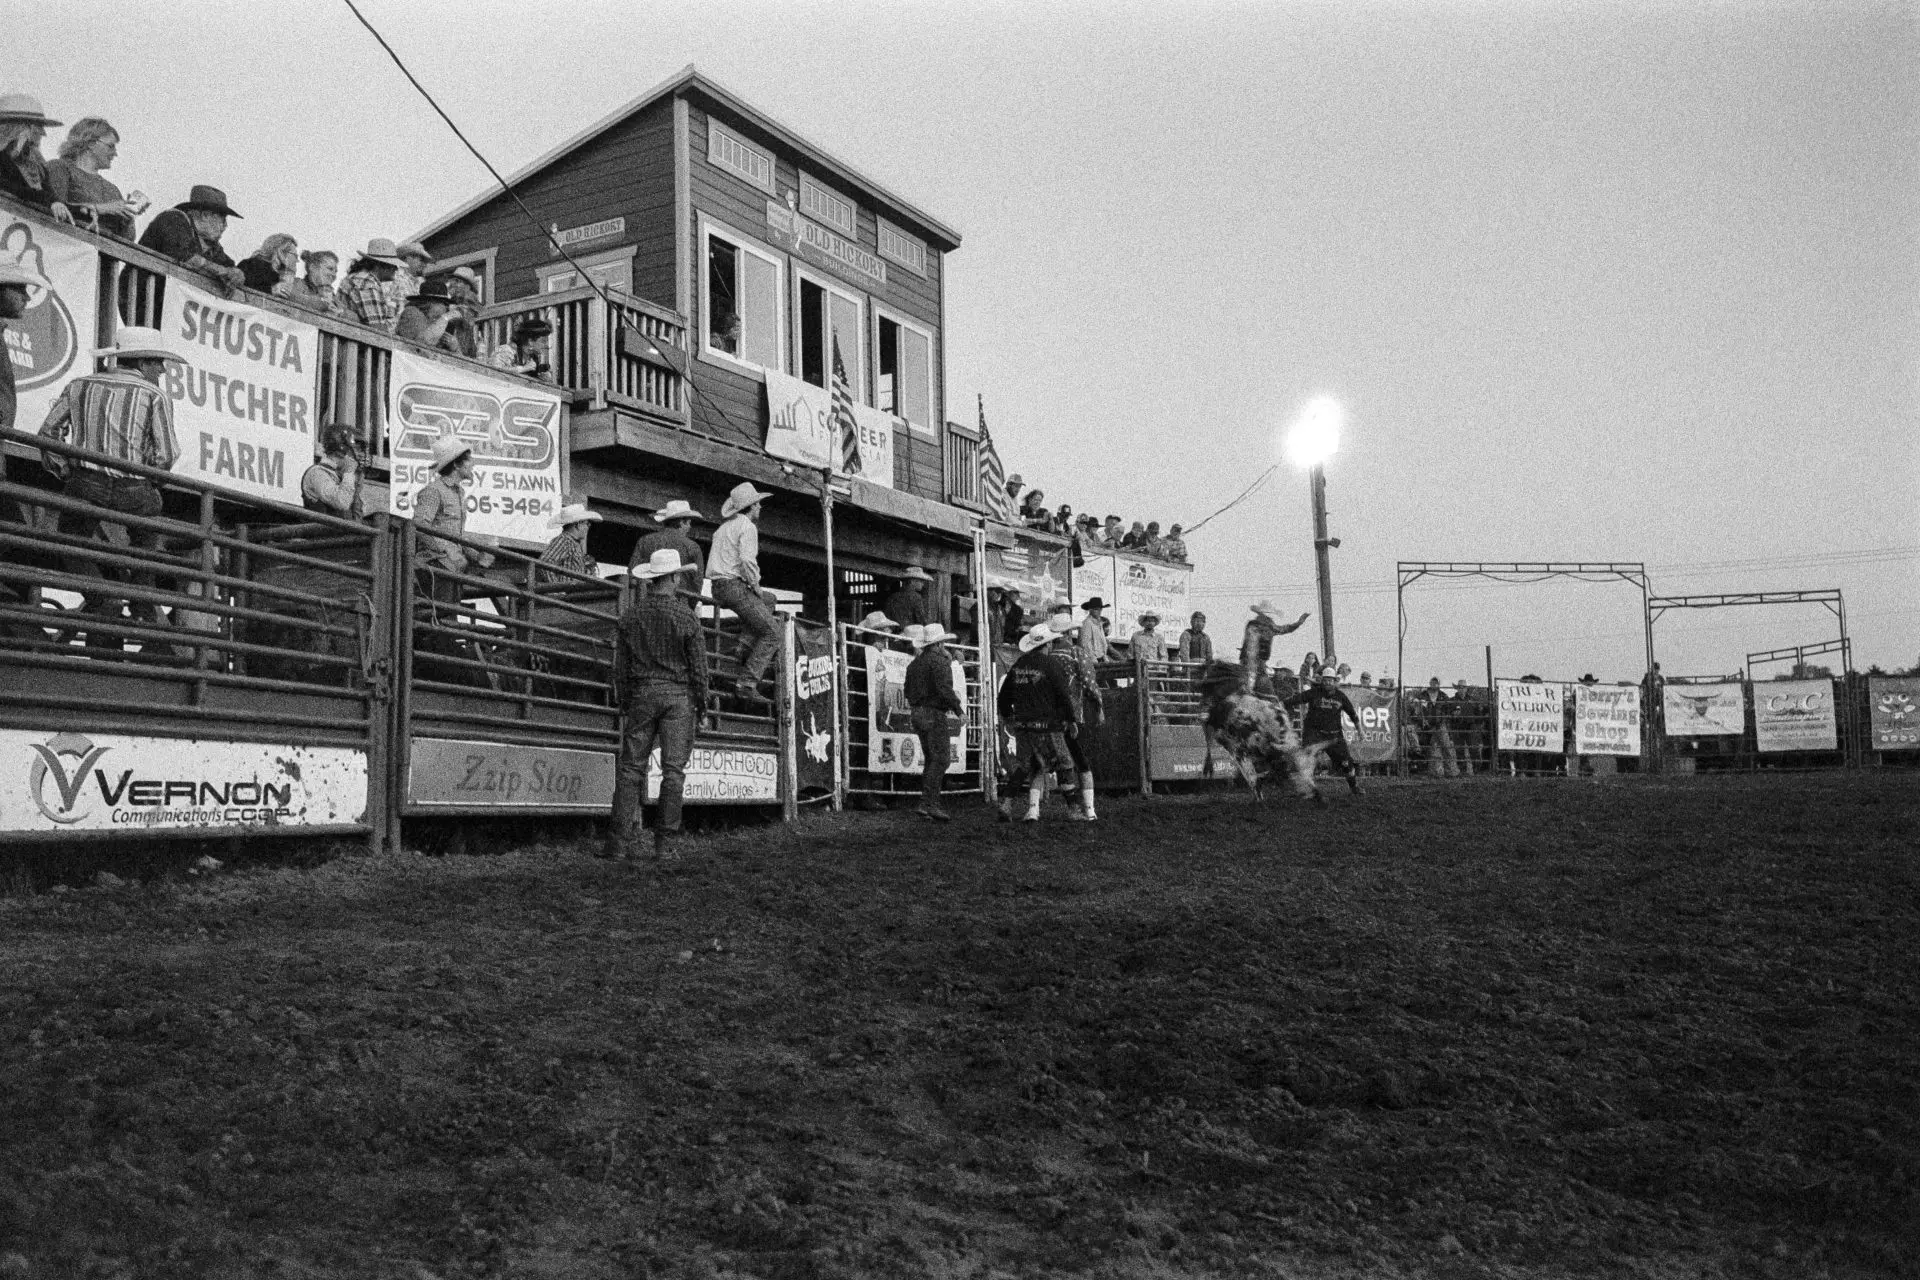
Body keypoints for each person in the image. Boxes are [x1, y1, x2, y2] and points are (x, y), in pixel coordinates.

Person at [36, 326, 184, 649]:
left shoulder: (80, 386)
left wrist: (64, 470)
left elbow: (48, 433)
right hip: (134, 490)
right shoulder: (154, 396)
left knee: (69, 540)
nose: (161, 370)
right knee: (146, 538)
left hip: (85, 484)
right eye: (158, 363)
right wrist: (149, 479)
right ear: (144, 363)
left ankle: (103, 596)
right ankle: (141, 598)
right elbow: (167, 455)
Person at [608, 548, 708, 861]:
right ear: (675, 578)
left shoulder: (631, 617)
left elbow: (620, 669)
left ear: (652, 579)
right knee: (673, 771)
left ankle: (617, 843)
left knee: (630, 768)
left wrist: (625, 702)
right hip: (678, 698)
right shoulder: (687, 617)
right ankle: (665, 845)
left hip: (642, 694)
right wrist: (702, 705)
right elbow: (699, 670)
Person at [996, 622, 1083, 824]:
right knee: (1065, 763)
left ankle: (1006, 803)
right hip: (1047, 725)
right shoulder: (1052, 665)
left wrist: (1007, 715)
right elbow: (1063, 695)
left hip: (1023, 724)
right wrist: (1071, 720)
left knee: (1024, 765)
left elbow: (1003, 696)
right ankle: (1073, 809)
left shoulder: (1018, 665)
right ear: (1047, 644)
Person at [708, 480, 779, 703]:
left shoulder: (722, 529)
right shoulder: (747, 527)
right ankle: (747, 683)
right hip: (733, 586)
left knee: (770, 599)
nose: (760, 507)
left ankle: (744, 646)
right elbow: (747, 561)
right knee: (773, 633)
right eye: (757, 504)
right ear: (750, 507)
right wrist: (755, 585)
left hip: (718, 586)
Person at [905, 622, 964, 822]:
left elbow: (907, 690)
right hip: (933, 713)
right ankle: (928, 803)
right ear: (939, 644)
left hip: (917, 712)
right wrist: (959, 710)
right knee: (941, 759)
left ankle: (927, 803)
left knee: (932, 758)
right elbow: (945, 689)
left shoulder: (915, 664)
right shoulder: (940, 662)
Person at [46, 116, 140, 239]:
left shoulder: (112, 189)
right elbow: (53, 207)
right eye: (110, 146)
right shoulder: (60, 167)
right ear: (90, 143)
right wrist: (99, 209)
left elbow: (128, 239)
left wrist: (128, 219)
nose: (115, 153)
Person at [1283, 663, 1363, 806]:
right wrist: (1283, 704)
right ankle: (1307, 790)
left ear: (1334, 681)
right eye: (1325, 680)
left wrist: (1360, 730)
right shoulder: (1314, 692)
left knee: (1346, 763)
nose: (1327, 682)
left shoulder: (1340, 696)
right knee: (1306, 760)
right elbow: (1298, 698)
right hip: (1315, 734)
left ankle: (1354, 786)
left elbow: (1352, 713)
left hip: (1334, 736)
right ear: (1322, 680)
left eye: (1330, 680)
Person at [138, 185, 245, 290]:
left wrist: (237, 273)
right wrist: (222, 271)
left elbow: (227, 265)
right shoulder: (174, 219)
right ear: (205, 215)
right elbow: (182, 256)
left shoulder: (211, 244)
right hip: (139, 295)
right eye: (223, 220)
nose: (225, 226)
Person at [0, 95, 74, 223]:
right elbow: (14, 189)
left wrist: (87, 209)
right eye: (38, 126)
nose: (43, 133)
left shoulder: (37, 167)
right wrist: (49, 201)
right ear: (19, 128)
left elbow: (53, 199)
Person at [1239, 601, 1310, 696]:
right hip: (1253, 663)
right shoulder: (1258, 626)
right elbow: (1251, 649)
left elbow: (1285, 629)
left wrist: (1298, 623)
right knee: (1259, 689)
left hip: (1257, 663)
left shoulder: (1265, 626)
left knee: (1265, 689)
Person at [338, 239, 409, 332]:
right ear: (379, 265)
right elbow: (377, 329)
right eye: (393, 265)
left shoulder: (359, 278)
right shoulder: (366, 283)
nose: (396, 268)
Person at [301, 422, 368, 519]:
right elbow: (342, 502)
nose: (360, 455)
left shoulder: (342, 476)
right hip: (322, 533)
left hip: (341, 533)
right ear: (342, 448)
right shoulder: (317, 473)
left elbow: (356, 517)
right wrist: (349, 472)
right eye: (357, 449)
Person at [538, 499, 600, 584]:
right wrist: (556, 589)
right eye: (587, 524)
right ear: (578, 525)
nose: (588, 527)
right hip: (566, 594)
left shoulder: (574, 544)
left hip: (572, 594)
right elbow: (545, 563)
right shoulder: (564, 540)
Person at [395, 278, 456, 348]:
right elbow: (421, 343)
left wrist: (455, 347)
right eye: (441, 303)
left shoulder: (441, 323)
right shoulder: (411, 313)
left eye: (445, 304)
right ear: (427, 302)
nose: (444, 308)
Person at [235, 232, 299, 296]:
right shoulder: (250, 265)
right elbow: (240, 286)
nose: (297, 260)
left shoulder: (281, 274)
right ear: (280, 251)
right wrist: (270, 289)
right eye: (294, 255)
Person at [439, 266, 483, 358]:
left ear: (468, 286)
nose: (453, 284)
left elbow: (468, 315)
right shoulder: (454, 301)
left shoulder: (470, 297)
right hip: (454, 346)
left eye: (458, 282)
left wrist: (448, 314)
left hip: (465, 348)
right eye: (453, 281)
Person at [491, 316, 554, 380]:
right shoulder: (506, 350)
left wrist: (540, 377)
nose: (547, 345)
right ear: (531, 341)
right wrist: (523, 369)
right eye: (544, 341)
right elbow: (493, 372)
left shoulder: (531, 357)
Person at [286, 250, 344, 315]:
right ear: (313, 267)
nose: (333, 274)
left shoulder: (332, 297)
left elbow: (353, 316)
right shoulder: (297, 283)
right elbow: (292, 295)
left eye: (335, 271)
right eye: (330, 269)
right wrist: (324, 304)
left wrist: (341, 312)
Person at [1076, 596, 1113, 665]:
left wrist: (1104, 656)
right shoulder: (1086, 623)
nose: (1099, 611)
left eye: (1100, 609)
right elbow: (1085, 644)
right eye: (1096, 609)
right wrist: (1093, 659)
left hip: (1100, 659)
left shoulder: (1099, 623)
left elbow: (1102, 643)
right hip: (1091, 661)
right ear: (1090, 610)